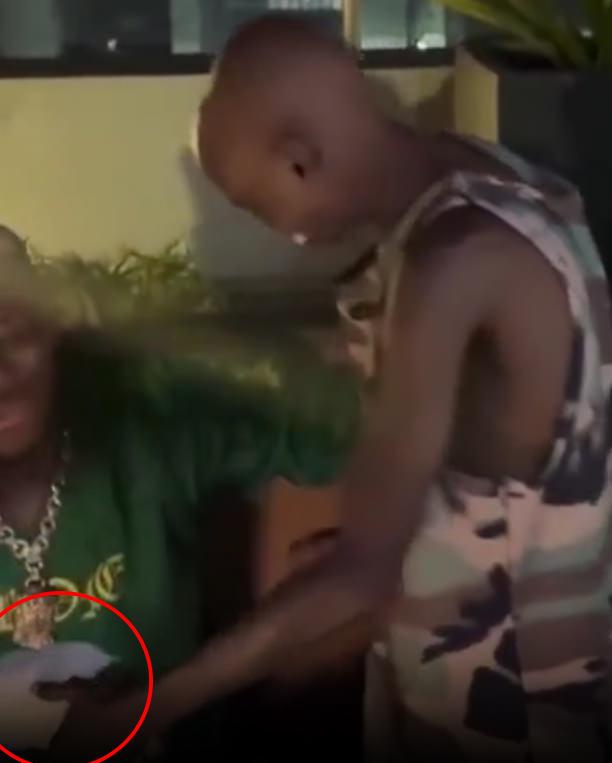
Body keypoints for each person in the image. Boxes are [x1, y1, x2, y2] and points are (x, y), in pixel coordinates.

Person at [186, 14, 612, 763]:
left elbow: (363, 573)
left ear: (300, 162)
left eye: (257, 206)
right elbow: (498, 462)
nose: (277, 230)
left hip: (507, 710)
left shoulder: (451, 261)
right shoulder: (485, 176)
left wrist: (151, 703)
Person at [0, 224, 360, 760]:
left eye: (14, 335)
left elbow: (363, 429)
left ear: (53, 330)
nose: (0, 375)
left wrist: (145, 710)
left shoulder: (147, 426)